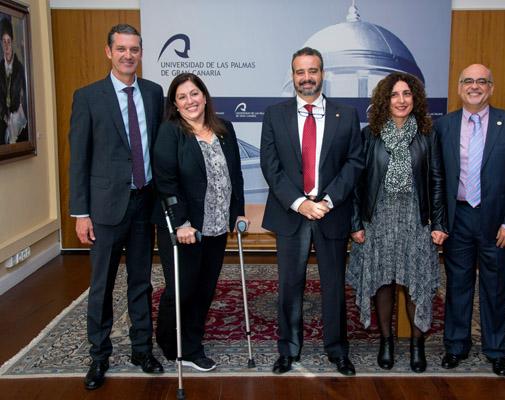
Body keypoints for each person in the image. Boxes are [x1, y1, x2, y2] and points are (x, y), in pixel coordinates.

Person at [68, 24, 164, 390]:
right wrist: (80, 213)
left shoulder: (154, 94)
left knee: (141, 282)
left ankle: (142, 349)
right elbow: (79, 159)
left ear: (141, 53)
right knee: (102, 285)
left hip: (144, 204)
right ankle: (99, 356)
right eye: (121, 49)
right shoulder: (88, 97)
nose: (128, 55)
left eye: (134, 49)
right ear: (108, 52)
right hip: (105, 208)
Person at [260, 47, 364, 376]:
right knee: (290, 284)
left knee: (333, 285)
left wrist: (328, 201)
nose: (307, 78)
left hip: (331, 212)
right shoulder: (274, 114)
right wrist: (300, 203)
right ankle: (288, 350)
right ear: (292, 76)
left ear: (323, 73)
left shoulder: (346, 115)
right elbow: (270, 165)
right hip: (291, 213)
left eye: (313, 71)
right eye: (300, 72)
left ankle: (338, 350)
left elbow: (354, 162)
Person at [435, 64, 505, 376]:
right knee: (458, 284)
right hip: (458, 216)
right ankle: (456, 346)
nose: (475, 86)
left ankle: (496, 350)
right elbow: (436, 178)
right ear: (459, 87)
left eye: (482, 81)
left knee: (494, 286)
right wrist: (438, 221)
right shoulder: (444, 126)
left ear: (491, 88)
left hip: (497, 222)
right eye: (468, 81)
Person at [347, 72, 448, 373]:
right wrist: (356, 223)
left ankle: (417, 345)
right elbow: (358, 183)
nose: (401, 100)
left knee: (416, 281)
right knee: (383, 282)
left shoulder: (428, 134)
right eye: (394, 95)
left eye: (407, 94)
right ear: (384, 100)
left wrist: (439, 223)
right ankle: (386, 341)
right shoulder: (370, 135)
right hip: (378, 218)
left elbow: (437, 181)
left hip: (416, 219)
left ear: (415, 98)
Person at [152, 72, 247, 372]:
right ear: (175, 105)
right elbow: (166, 183)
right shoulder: (170, 132)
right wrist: (181, 223)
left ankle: (191, 339)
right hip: (185, 228)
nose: (190, 101)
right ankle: (173, 343)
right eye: (182, 97)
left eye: (194, 94)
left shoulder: (225, 129)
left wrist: (238, 211)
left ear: (204, 96)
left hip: (217, 225)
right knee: (182, 288)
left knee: (205, 287)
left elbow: (236, 176)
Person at [0, 17, 27, 145]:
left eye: (8, 42)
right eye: (3, 42)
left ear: (12, 43)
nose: (6, 46)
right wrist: (4, 116)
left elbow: (23, 96)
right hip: (2, 121)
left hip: (17, 122)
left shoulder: (20, 68)